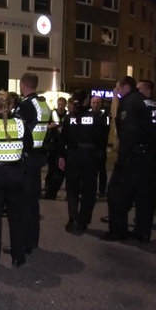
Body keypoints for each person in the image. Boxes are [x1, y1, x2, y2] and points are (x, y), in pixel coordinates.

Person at [101, 76, 156, 242]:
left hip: (132, 157)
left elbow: (128, 132)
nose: (117, 91)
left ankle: (118, 231)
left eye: (118, 87)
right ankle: (143, 232)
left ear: (125, 87)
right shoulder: (150, 103)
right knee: (145, 197)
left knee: (116, 194)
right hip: (150, 157)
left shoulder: (130, 102)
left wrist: (122, 155)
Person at [0, 91, 26, 268]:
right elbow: (28, 146)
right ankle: (18, 257)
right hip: (16, 174)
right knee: (16, 218)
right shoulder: (21, 123)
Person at [58, 90, 106, 235]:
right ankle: (84, 220)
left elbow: (63, 138)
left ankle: (73, 218)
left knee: (72, 189)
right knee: (88, 190)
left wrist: (62, 156)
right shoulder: (96, 117)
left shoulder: (69, 118)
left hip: (73, 156)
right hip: (90, 157)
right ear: (86, 101)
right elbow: (101, 140)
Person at [15, 72, 51, 254]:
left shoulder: (26, 106)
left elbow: (19, 130)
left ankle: (23, 244)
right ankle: (32, 241)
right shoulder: (43, 105)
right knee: (33, 203)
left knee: (24, 204)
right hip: (38, 157)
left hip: (27, 159)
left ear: (23, 85)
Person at [42, 97, 67, 200]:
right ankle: (48, 188)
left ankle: (52, 190)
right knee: (51, 168)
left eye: (62, 104)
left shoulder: (67, 115)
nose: (60, 106)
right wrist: (50, 127)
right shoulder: (52, 114)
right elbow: (46, 126)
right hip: (52, 143)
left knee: (59, 169)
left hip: (62, 145)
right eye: (59, 104)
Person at [89, 96, 110, 198]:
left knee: (102, 170)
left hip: (100, 147)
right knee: (90, 171)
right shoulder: (88, 115)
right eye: (93, 102)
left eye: (97, 103)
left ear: (101, 104)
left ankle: (102, 191)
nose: (95, 105)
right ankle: (91, 190)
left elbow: (105, 132)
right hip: (90, 147)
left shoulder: (105, 116)